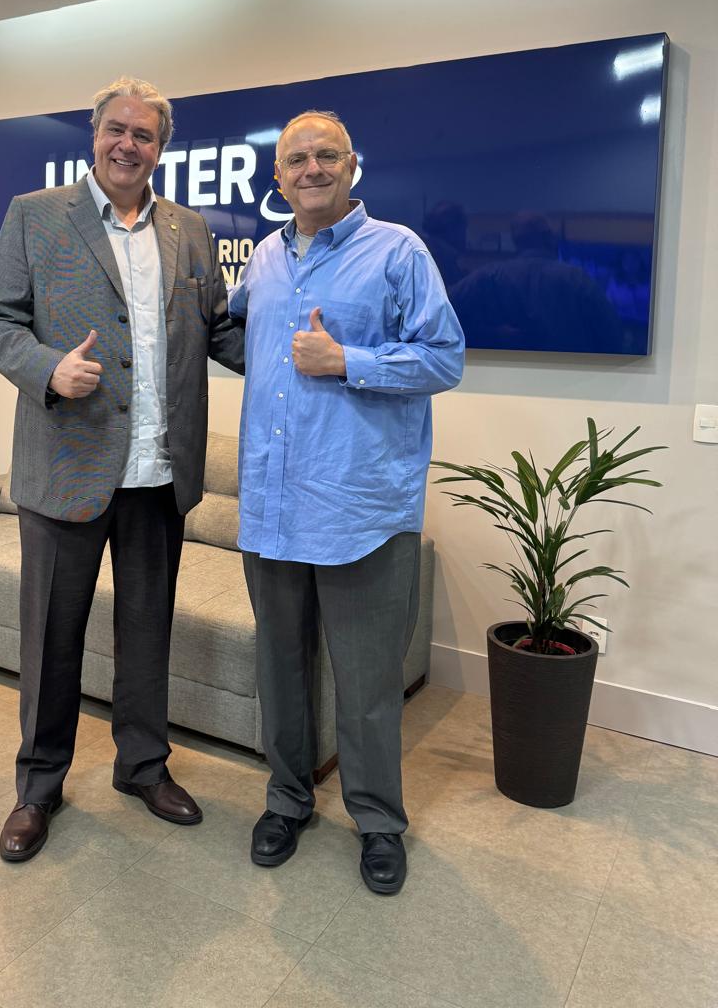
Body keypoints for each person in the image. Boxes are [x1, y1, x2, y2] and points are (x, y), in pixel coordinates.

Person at [0, 76, 244, 863]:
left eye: (145, 134)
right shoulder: (35, 215)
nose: (129, 144)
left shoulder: (190, 230)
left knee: (146, 631)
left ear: (162, 148)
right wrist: (49, 369)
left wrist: (300, 359)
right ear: (93, 134)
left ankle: (143, 766)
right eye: (116, 130)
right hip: (67, 468)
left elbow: (218, 329)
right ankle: (38, 787)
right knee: (51, 640)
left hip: (159, 471)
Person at [229, 110, 464, 895]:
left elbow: (444, 358)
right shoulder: (264, 258)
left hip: (359, 510)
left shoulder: (397, 251)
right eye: (297, 158)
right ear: (278, 177)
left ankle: (378, 820)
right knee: (280, 669)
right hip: (273, 504)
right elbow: (240, 336)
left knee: (366, 685)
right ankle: (286, 799)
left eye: (326, 154)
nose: (312, 168)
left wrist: (347, 361)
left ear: (352, 165)